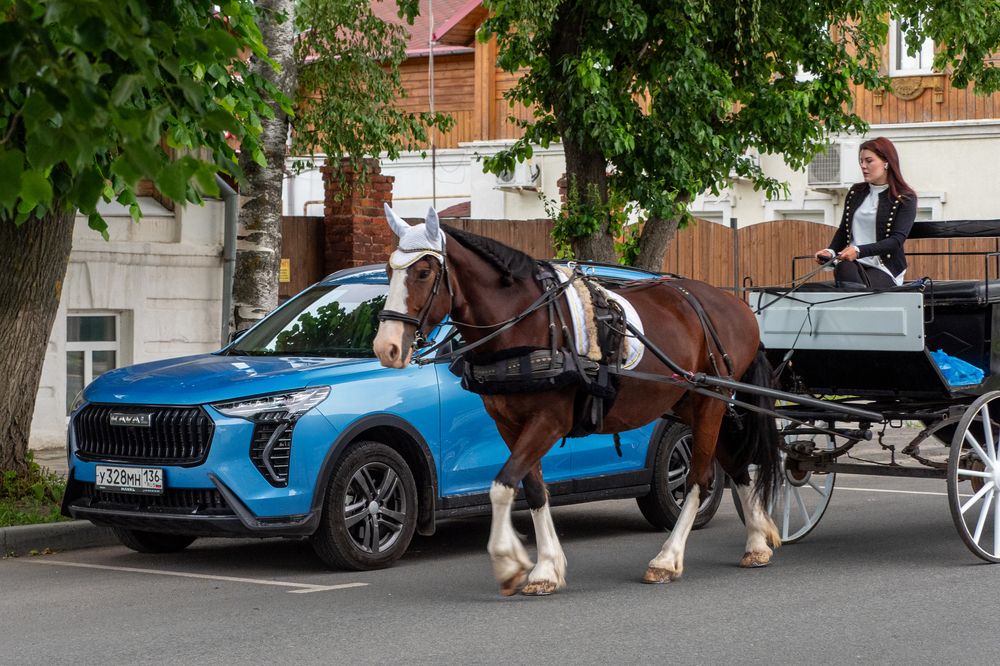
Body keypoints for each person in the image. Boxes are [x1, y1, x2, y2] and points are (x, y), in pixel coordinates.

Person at [815, 137, 917, 288]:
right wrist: (830, 251)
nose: (863, 166)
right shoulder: (856, 191)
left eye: (869, 161)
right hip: (853, 265)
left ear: (886, 162)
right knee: (844, 267)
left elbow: (896, 241)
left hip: (885, 269)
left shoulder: (905, 197)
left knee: (849, 278)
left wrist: (858, 250)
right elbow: (844, 230)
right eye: (861, 161)